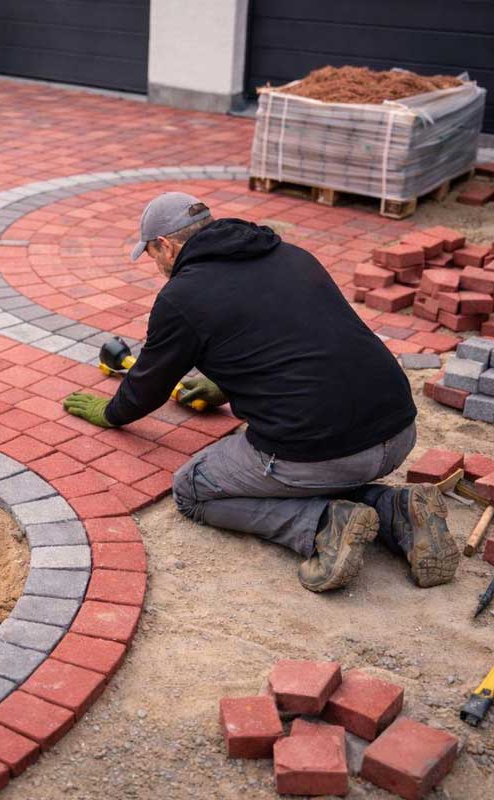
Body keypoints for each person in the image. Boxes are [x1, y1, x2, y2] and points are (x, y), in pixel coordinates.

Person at [62, 192, 459, 592]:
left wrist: (111, 413)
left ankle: (321, 524)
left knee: (192, 490)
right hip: (400, 428)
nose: (158, 266)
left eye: (151, 255)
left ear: (166, 245)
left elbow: (147, 387)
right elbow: (297, 339)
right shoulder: (291, 255)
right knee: (319, 452)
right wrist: (223, 385)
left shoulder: (182, 296)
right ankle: (397, 510)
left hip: (326, 452)